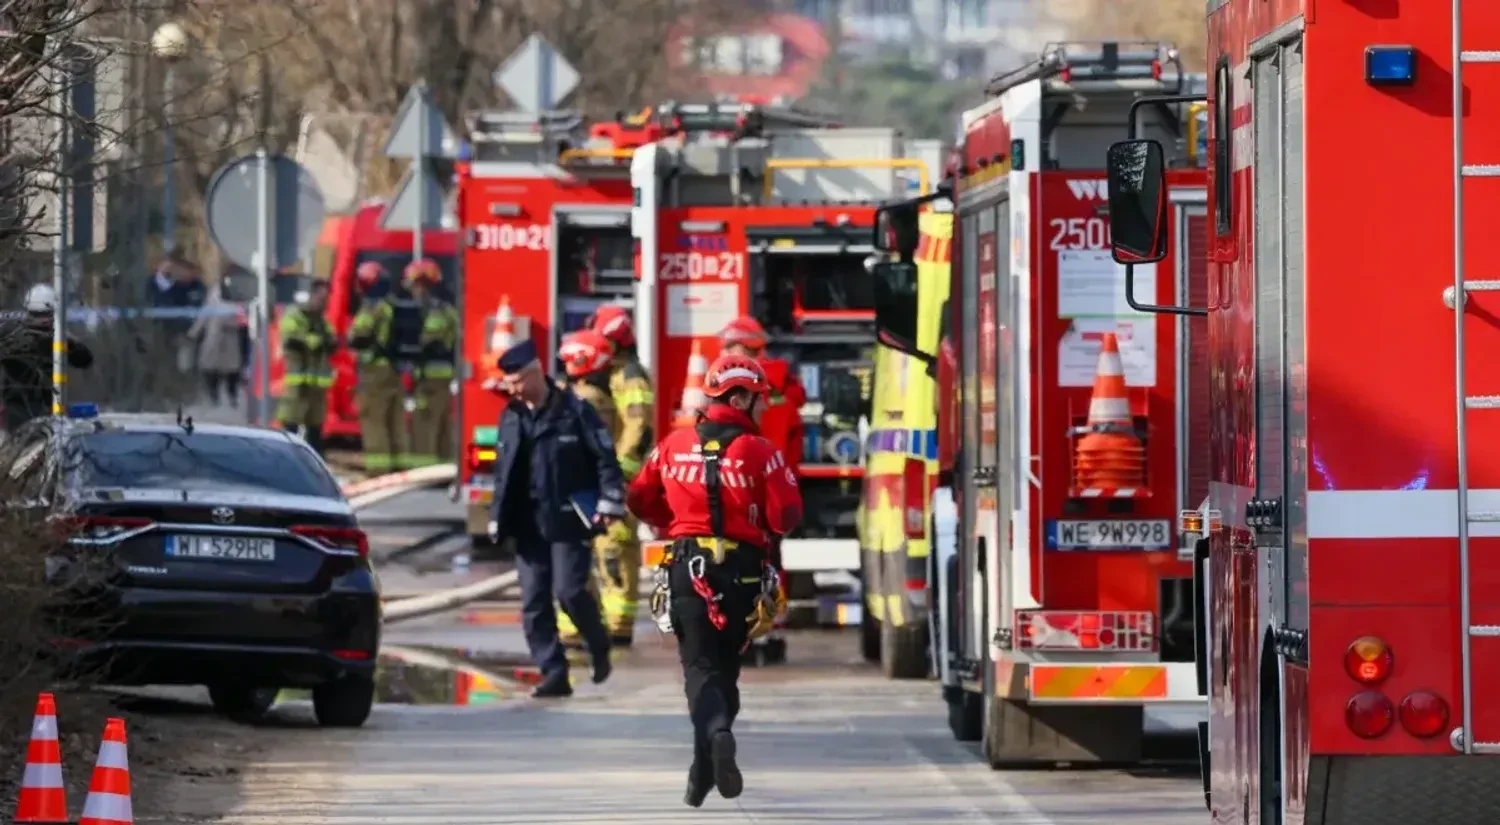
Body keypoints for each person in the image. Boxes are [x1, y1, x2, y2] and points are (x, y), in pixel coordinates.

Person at [626, 353, 803, 808]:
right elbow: (787, 517)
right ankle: (703, 767)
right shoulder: (761, 452)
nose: (764, 409)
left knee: (700, 672)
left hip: (687, 569)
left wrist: (677, 522)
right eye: (760, 400)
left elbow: (640, 499)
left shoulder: (671, 445)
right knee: (724, 672)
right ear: (739, 397)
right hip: (742, 572)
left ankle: (711, 747)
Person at [486, 338, 625, 698]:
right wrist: (495, 515)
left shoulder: (576, 412)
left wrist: (610, 501)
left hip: (566, 520)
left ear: (535, 373)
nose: (512, 389)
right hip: (526, 523)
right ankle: (553, 672)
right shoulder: (512, 417)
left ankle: (598, 644)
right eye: (509, 383)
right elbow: (503, 470)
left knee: (570, 592)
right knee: (533, 601)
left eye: (517, 381)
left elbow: (605, 459)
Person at [717, 315, 806, 661]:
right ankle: (768, 631)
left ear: (743, 348)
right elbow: (793, 444)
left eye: (728, 347)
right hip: (772, 493)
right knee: (770, 562)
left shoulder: (734, 390)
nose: (722, 354)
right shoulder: (785, 389)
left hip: (736, 490)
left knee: (733, 563)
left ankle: (741, 629)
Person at [588, 305, 653, 646]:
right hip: (615, 474)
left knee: (615, 544)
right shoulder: (616, 373)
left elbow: (639, 427)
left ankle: (619, 622)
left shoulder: (630, 376)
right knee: (607, 544)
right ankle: (615, 619)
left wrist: (619, 471)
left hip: (621, 475)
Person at [553, 329, 617, 650]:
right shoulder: (594, 396)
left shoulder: (585, 400)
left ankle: (576, 626)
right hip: (591, 490)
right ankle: (589, 622)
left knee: (576, 567)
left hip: (579, 491)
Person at [0, 284, 93, 431]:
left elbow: (84, 360)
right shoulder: (13, 337)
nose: (41, 321)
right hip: (17, 410)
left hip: (48, 408)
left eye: (45, 315)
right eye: (36, 315)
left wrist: (70, 341)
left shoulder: (57, 338)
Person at [348, 262, 408, 474]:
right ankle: (400, 467)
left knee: (374, 420)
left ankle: (378, 470)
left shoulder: (372, 307)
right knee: (395, 421)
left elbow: (358, 336)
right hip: (395, 370)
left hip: (375, 370)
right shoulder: (395, 305)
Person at [406, 259, 458, 468]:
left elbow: (429, 341)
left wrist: (408, 344)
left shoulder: (437, 312)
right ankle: (443, 465)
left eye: (415, 287)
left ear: (423, 285)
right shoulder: (446, 309)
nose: (412, 292)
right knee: (443, 424)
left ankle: (424, 468)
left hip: (431, 378)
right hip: (441, 377)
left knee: (425, 423)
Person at [277, 280, 334, 453]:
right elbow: (290, 337)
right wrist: (308, 340)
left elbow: (332, 341)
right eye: (320, 296)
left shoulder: (321, 321)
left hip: (316, 386)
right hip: (297, 383)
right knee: (291, 423)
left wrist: (324, 341)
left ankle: (315, 458)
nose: (323, 301)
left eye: (325, 297)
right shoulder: (294, 316)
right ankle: (285, 455)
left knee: (315, 428)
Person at [187, 284, 245, 407]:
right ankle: (220, 396)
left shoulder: (233, 306)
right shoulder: (216, 306)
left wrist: (192, 334)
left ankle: (227, 396)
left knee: (225, 370)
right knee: (217, 370)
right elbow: (201, 320)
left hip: (224, 341)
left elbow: (200, 323)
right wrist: (193, 333)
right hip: (218, 341)